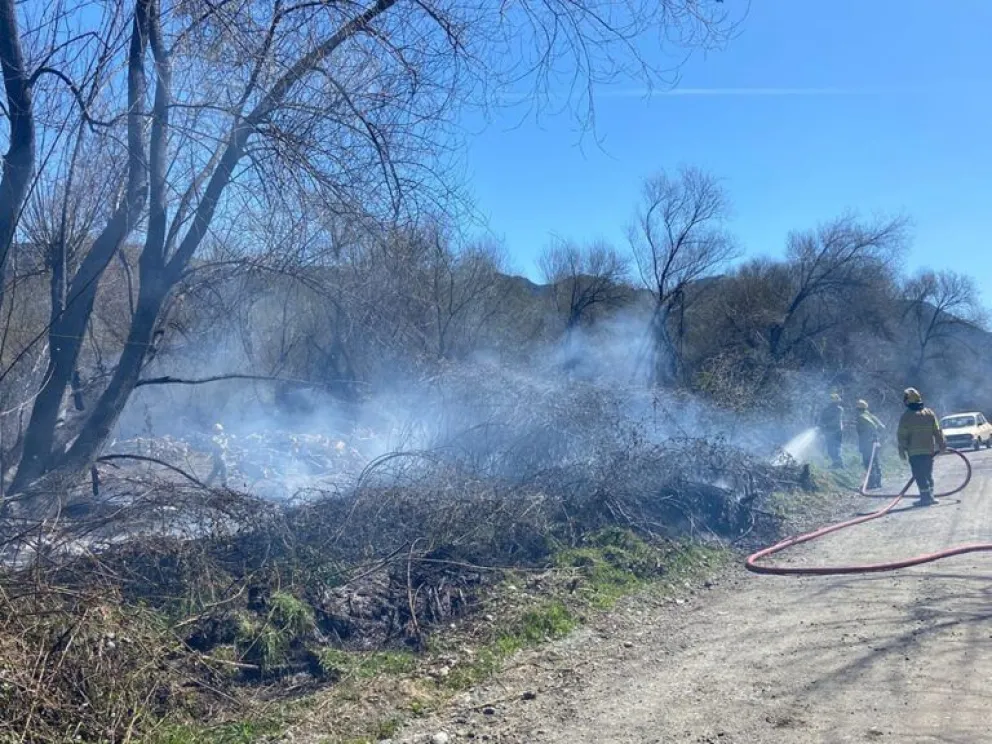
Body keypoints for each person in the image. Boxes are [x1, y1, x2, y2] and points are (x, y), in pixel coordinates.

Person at [897, 388, 946, 507]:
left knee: (919, 475)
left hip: (914, 452)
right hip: (929, 451)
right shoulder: (929, 413)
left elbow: (902, 435)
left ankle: (925, 498)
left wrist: (902, 450)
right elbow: (937, 431)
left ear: (908, 401)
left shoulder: (906, 416)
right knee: (928, 473)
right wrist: (942, 444)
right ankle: (931, 496)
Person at [855, 399, 886, 489]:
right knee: (875, 461)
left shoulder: (861, 417)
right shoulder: (870, 415)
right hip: (875, 442)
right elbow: (882, 427)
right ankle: (878, 482)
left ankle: (872, 483)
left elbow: (870, 427)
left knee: (868, 463)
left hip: (868, 444)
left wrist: (870, 435)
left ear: (858, 409)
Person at [818, 392, 844, 468]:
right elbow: (821, 419)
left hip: (836, 431)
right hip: (828, 431)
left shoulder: (839, 409)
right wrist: (820, 425)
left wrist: (825, 425)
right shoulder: (826, 409)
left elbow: (836, 420)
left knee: (836, 447)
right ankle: (837, 463)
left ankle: (838, 463)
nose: (837, 403)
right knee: (830, 449)